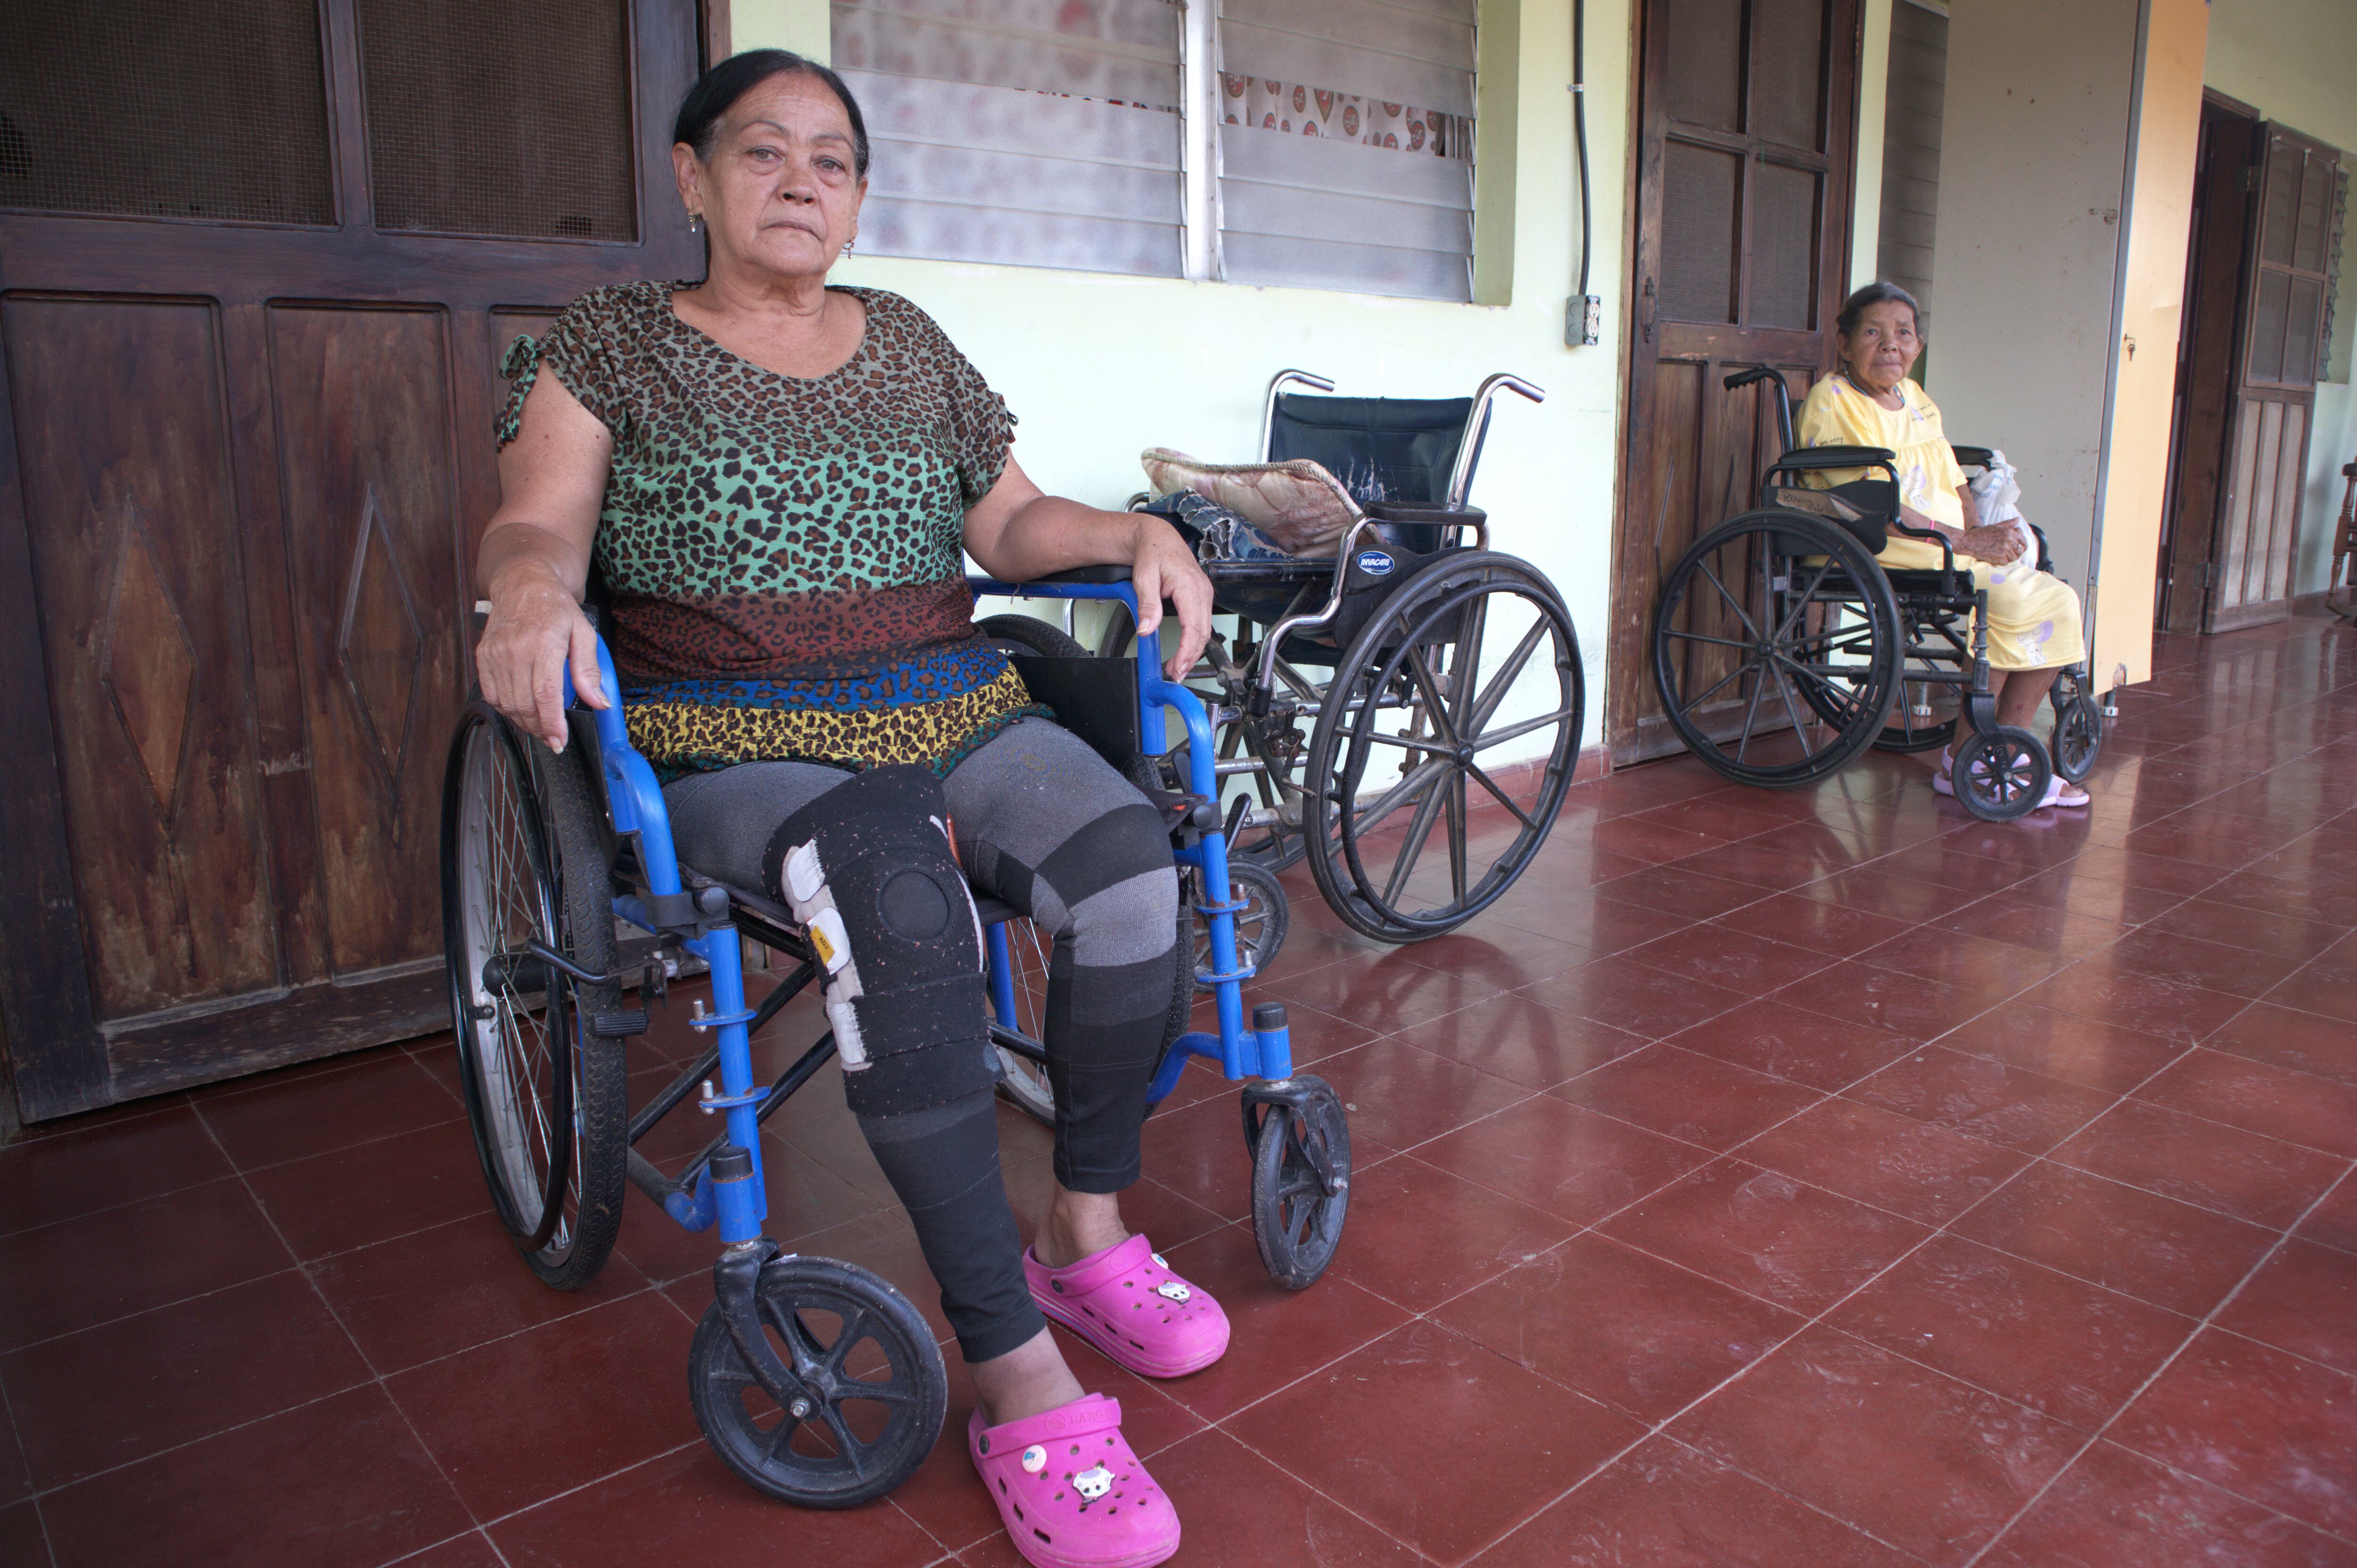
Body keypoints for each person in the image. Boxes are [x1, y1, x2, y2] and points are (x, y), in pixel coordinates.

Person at [473, 50, 1217, 1568]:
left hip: (945, 697)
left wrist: (1135, 522)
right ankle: (1012, 1357)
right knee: (893, 897)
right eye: (763, 152)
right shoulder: (612, 346)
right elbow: (537, 516)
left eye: (831, 159)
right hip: (732, 724)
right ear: (691, 177)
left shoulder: (912, 344)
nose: (800, 179)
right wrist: (532, 587)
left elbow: (1007, 523)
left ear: (860, 194)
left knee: (1131, 870)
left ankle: (1082, 1225)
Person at [1797, 281, 2093, 808]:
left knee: (2058, 598)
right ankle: (1966, 756)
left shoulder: (1913, 397)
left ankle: (2004, 747)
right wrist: (1966, 540)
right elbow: (1868, 500)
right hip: (1880, 540)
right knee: (2012, 598)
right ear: (1843, 344)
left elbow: (1953, 477)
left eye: (1903, 333)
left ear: (1917, 345)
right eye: (1872, 332)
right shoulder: (1834, 400)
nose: (1890, 345)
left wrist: (1984, 533)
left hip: (1940, 541)